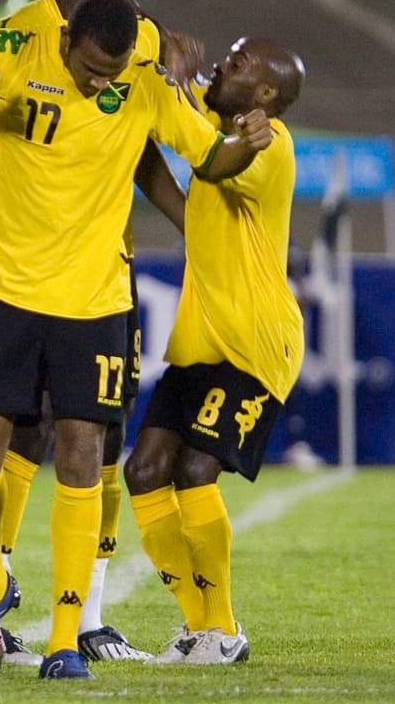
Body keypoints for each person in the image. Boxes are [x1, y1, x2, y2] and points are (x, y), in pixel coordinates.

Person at [0, 0, 273, 679]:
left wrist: (245, 148)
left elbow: (209, 159)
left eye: (112, 71)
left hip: (95, 303)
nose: (102, 82)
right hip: (6, 294)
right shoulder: (14, 47)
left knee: (80, 455)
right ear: (67, 40)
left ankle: (67, 638)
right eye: (93, 68)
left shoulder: (146, 84)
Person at [0, 0, 187, 666]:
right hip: (20, 263)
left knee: (96, 439)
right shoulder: (20, 31)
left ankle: (90, 614)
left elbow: (145, 143)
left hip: (103, 274)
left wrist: (190, 222)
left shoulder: (144, 39)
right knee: (12, 432)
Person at [123, 36, 306, 665]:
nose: (224, 63)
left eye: (241, 63)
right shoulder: (216, 131)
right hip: (204, 340)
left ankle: (222, 629)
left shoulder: (268, 144)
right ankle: (200, 628)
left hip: (256, 342)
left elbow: (207, 161)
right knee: (144, 470)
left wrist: (175, 91)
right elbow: (172, 193)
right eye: (228, 54)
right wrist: (135, 122)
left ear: (265, 96)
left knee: (197, 469)